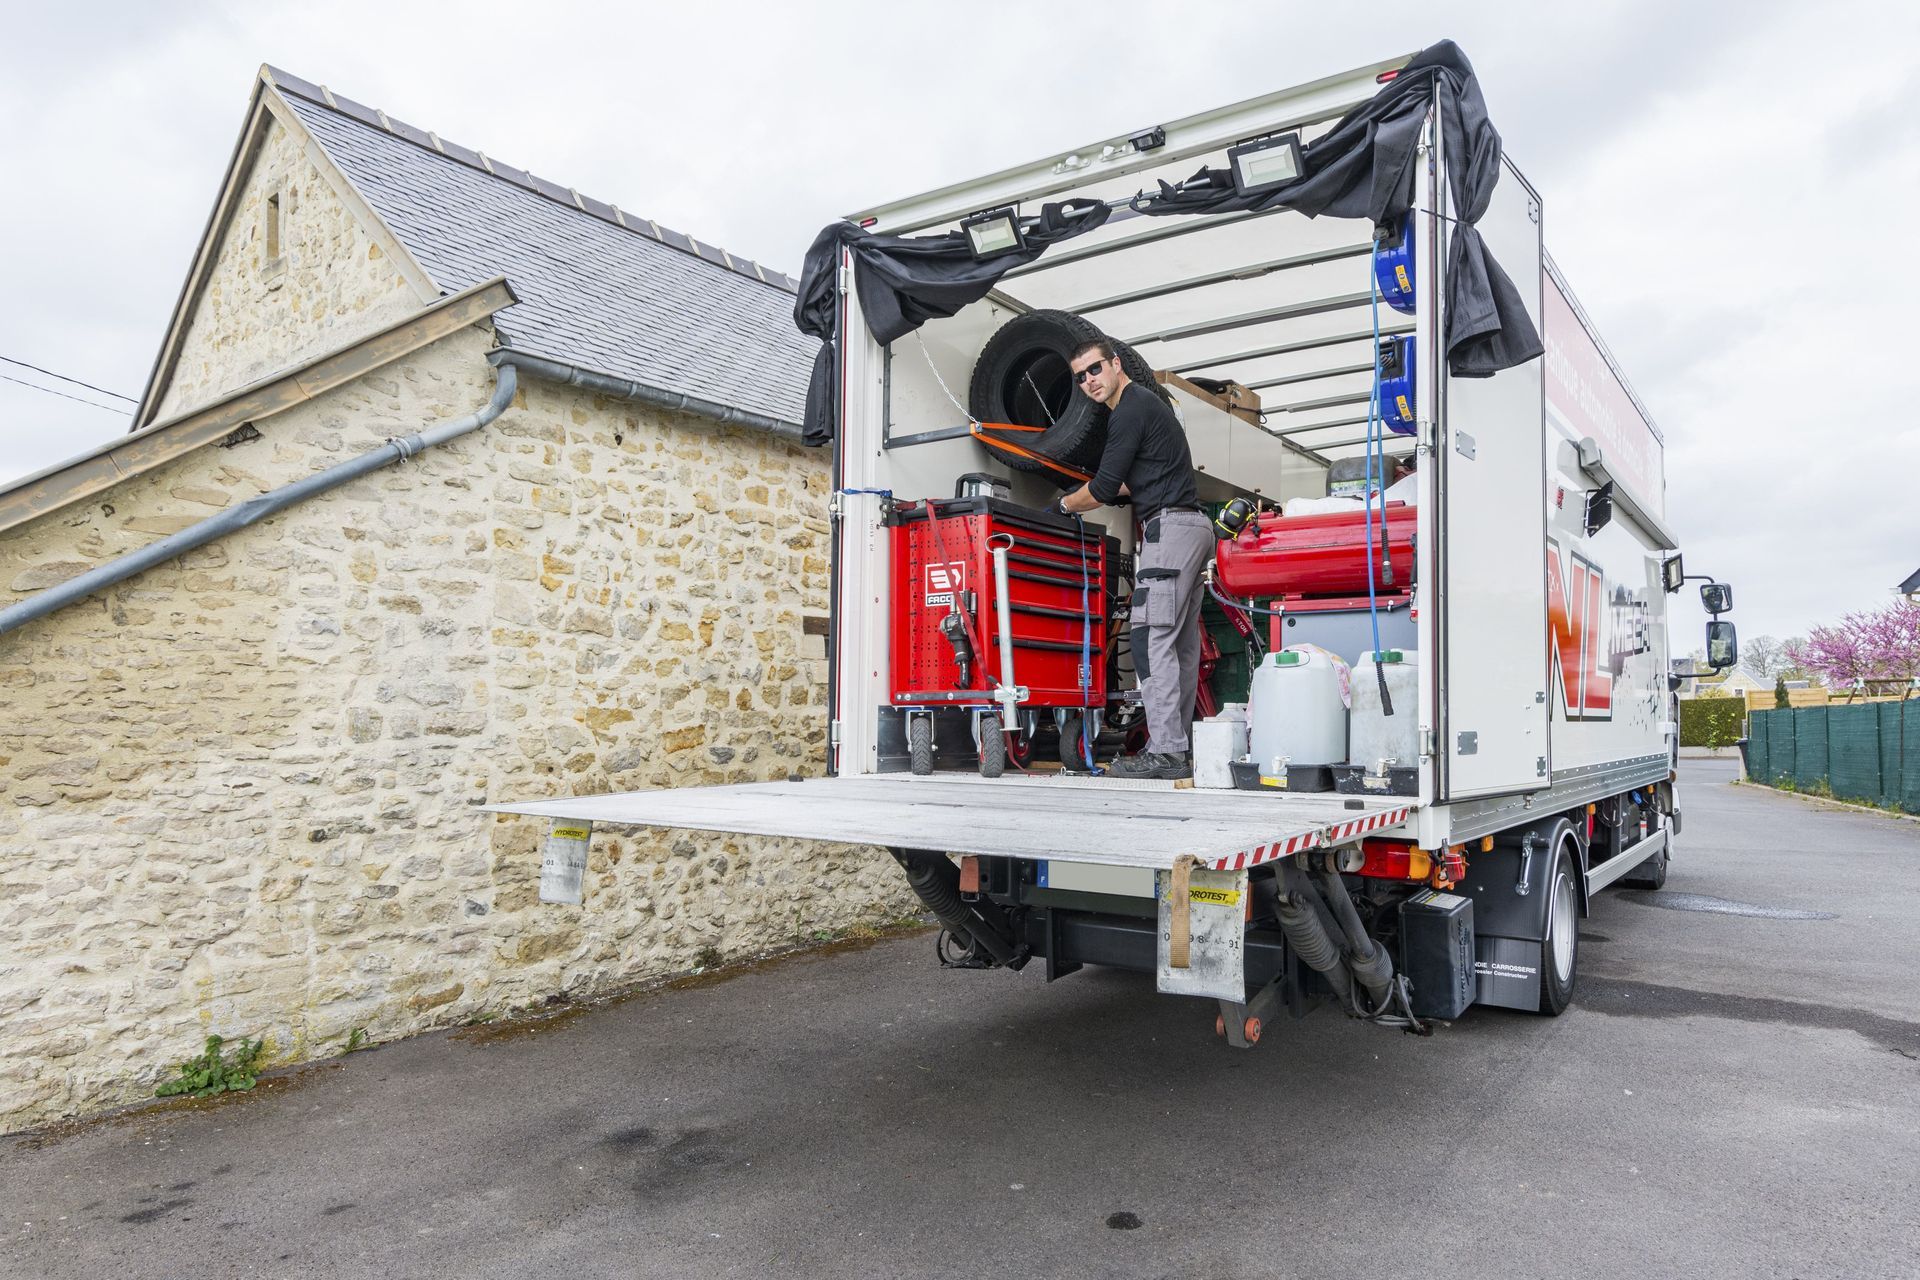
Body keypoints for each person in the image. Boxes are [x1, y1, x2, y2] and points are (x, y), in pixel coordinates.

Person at [1054, 340, 1211, 781]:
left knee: (1148, 638)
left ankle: (1166, 751)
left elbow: (1105, 488)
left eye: (1095, 369)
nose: (1089, 381)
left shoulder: (1128, 409)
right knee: (1179, 645)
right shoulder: (1145, 406)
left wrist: (1064, 505)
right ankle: (1178, 748)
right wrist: (1094, 489)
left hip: (1169, 530)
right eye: (1081, 376)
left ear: (1115, 364)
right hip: (1193, 528)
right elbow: (1132, 481)